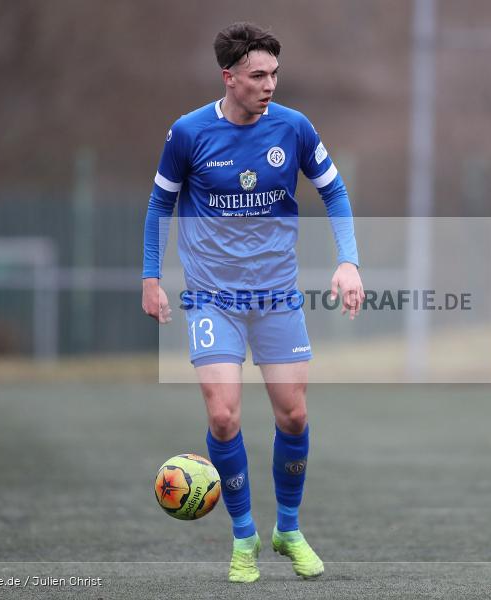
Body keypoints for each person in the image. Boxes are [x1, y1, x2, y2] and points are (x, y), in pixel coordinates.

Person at [141, 22, 363, 583]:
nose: (269, 85)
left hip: (277, 298)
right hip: (212, 298)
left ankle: (288, 528)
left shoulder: (294, 127)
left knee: (293, 413)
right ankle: (245, 538)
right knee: (222, 414)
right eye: (258, 75)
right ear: (230, 77)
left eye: (274, 75)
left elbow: (333, 191)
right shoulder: (189, 133)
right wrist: (149, 276)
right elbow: (158, 207)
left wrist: (348, 261)